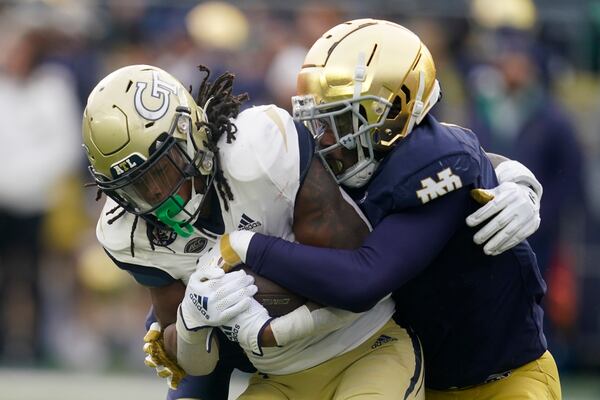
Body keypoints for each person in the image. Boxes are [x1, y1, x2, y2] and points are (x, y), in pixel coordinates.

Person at [82, 64, 541, 399]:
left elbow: (361, 271)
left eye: (162, 171)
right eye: (134, 187)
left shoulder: (259, 149)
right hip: (267, 368)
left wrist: (500, 171)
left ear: (192, 132)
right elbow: (193, 361)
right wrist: (191, 320)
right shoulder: (129, 233)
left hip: (361, 341)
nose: (158, 197)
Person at [208, 19, 561, 399]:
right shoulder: (353, 164)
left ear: (396, 110)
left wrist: (246, 246)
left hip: (504, 380)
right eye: (318, 120)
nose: (325, 138)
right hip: (420, 381)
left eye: (341, 120)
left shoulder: (433, 162)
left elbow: (364, 279)